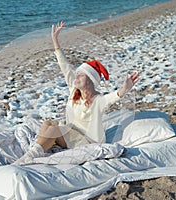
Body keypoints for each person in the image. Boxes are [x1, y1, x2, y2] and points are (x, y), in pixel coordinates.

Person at [13, 21, 139, 165]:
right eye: (77, 74)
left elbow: (115, 96)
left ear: (90, 81)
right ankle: (35, 151)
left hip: (87, 140)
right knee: (48, 123)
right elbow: (64, 66)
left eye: (81, 75)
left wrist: (125, 88)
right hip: (72, 132)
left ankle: (28, 157)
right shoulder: (75, 91)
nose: (76, 77)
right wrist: (55, 41)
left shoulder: (98, 100)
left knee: (53, 130)